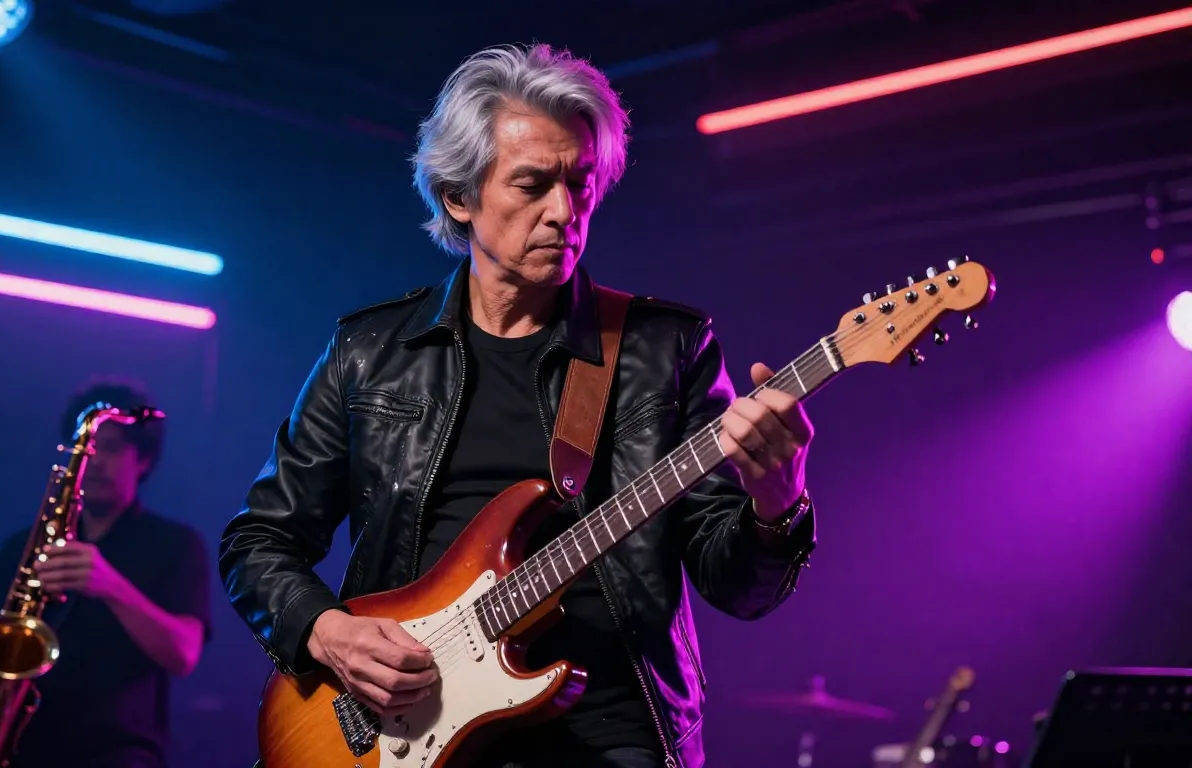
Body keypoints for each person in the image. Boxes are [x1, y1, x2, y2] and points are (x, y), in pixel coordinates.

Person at [219, 43, 818, 768]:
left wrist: (775, 503)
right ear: (459, 197)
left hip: (610, 733)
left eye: (580, 183)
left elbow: (740, 590)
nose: (564, 211)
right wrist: (325, 631)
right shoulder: (369, 351)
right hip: (404, 728)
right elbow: (259, 540)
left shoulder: (666, 348)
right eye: (532, 184)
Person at [0, 380, 212, 768]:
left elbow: (183, 653)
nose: (95, 461)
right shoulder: (23, 544)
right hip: (18, 750)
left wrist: (111, 586)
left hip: (116, 753)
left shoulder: (175, 544)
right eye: (88, 448)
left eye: (112, 448)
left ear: (144, 461)